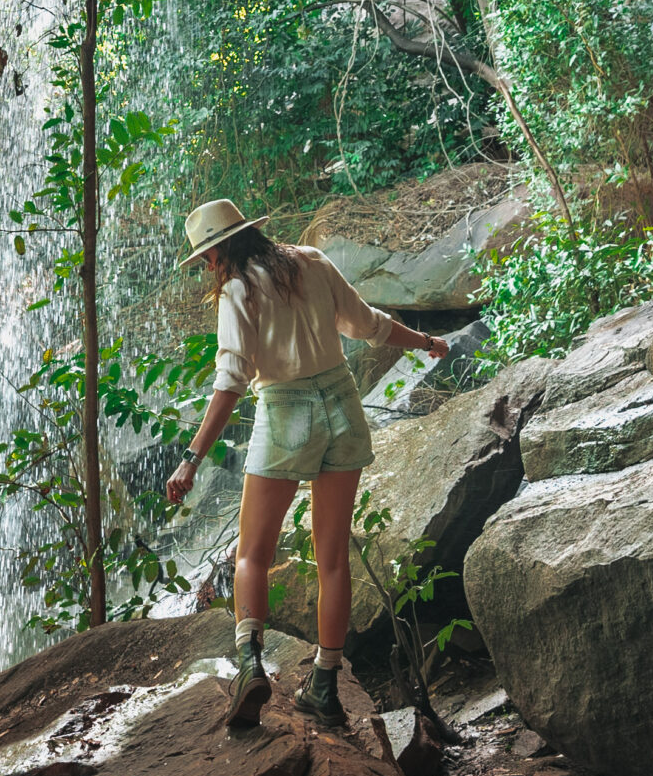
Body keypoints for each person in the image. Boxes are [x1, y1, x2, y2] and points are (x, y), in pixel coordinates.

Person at [163, 199, 451, 728]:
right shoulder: (313, 261)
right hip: (342, 404)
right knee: (333, 558)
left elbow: (230, 381)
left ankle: (250, 666)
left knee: (252, 553)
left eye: (206, 257)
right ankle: (324, 685)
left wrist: (190, 459)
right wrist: (429, 342)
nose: (207, 267)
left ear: (222, 250)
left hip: (286, 410)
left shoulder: (236, 290)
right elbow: (370, 325)